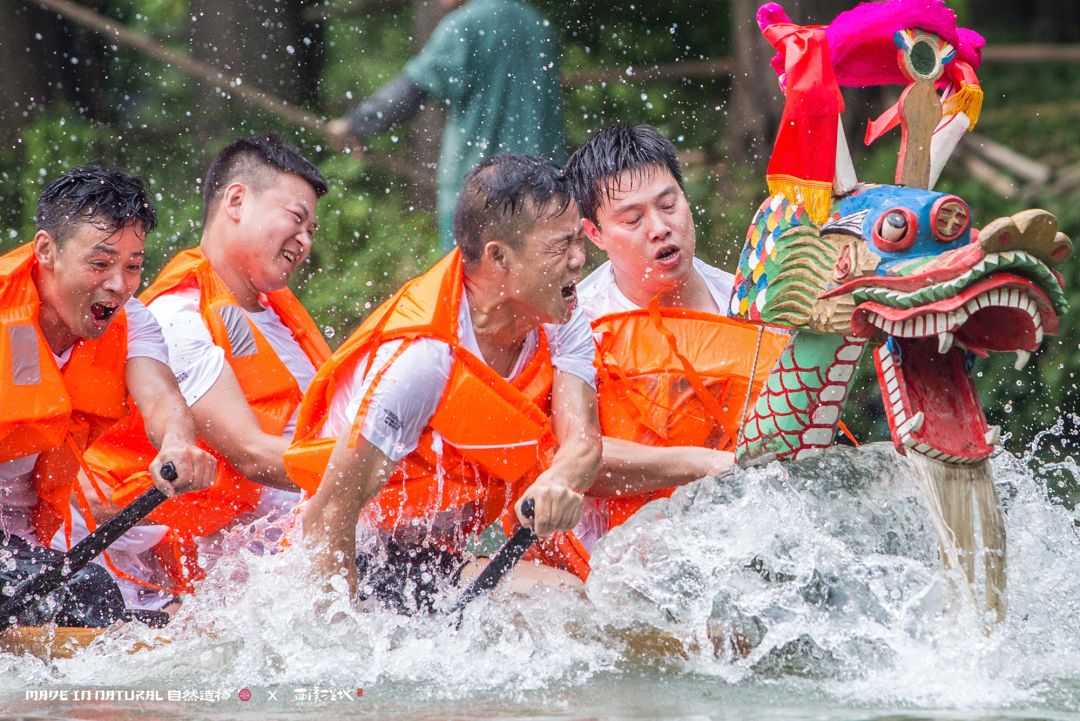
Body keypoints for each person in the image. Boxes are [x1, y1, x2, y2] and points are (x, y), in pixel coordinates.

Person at [286, 153, 600, 614]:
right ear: (498, 257)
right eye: (561, 245)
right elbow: (330, 515)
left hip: (437, 555)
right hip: (358, 552)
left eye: (579, 239)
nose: (580, 259)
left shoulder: (561, 317)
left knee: (577, 604)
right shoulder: (421, 360)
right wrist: (338, 636)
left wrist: (559, 481)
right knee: (558, 605)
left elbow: (584, 442)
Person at [84, 136, 332, 604]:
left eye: (312, 231)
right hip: (198, 572)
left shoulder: (280, 316)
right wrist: (377, 472)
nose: (304, 241)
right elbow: (252, 454)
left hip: (296, 546)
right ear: (236, 200)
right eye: (297, 220)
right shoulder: (179, 315)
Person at [548, 125, 789, 569]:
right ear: (594, 233)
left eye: (668, 204)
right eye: (632, 219)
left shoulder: (753, 310)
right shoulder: (572, 325)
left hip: (742, 550)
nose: (660, 228)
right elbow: (567, 461)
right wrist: (712, 464)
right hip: (610, 569)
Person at [0, 165, 215, 627]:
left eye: (133, 265)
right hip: (19, 560)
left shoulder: (131, 321)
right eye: (100, 263)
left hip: (32, 543)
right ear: (46, 250)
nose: (119, 284)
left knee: (163, 615)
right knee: (91, 596)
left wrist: (178, 443)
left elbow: (160, 396)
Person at [325, 0, 566, 251]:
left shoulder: (464, 26)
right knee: (539, 279)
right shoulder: (535, 24)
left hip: (479, 192)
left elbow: (412, 90)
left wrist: (355, 124)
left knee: (465, 282)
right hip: (542, 188)